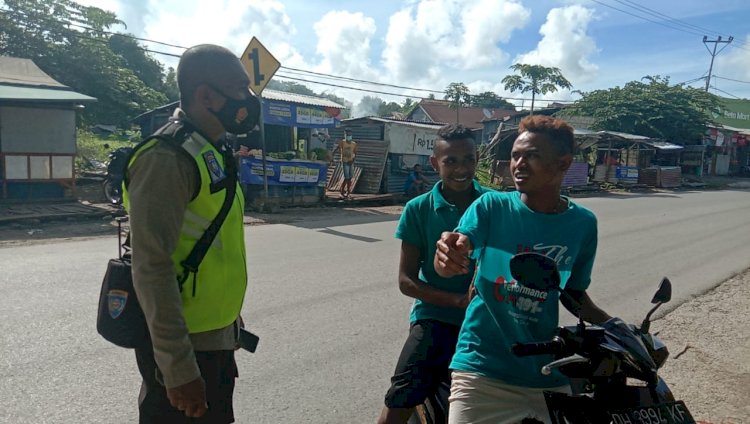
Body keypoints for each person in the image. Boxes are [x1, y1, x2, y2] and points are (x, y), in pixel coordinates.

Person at [434, 115, 613, 424]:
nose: (519, 163)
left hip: (546, 373)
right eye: (515, 155)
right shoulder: (492, 206)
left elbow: (572, 294)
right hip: (481, 369)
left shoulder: (583, 224)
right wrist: (450, 252)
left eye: (531, 155)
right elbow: (458, 248)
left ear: (563, 164)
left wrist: (618, 328)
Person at [123, 44, 260, 423]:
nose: (248, 98)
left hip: (215, 338)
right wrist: (179, 370)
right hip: (184, 350)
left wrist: (231, 321)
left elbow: (210, 247)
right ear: (206, 96)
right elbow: (151, 269)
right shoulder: (165, 159)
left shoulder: (209, 150)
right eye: (240, 88)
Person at [377, 124, 492, 424]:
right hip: (435, 318)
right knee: (401, 395)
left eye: (468, 159)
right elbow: (406, 281)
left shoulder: (495, 204)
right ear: (434, 163)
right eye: (450, 161)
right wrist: (457, 301)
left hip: (486, 321)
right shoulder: (419, 208)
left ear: (477, 159)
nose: (461, 168)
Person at [332, 128, 358, 199]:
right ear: (344, 135)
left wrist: (353, 160)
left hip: (351, 162)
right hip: (344, 162)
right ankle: (342, 191)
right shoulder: (342, 142)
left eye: (349, 134)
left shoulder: (354, 144)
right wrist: (331, 156)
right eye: (347, 134)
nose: (348, 136)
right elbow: (336, 149)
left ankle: (348, 192)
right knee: (346, 177)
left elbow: (355, 153)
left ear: (351, 135)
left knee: (350, 178)